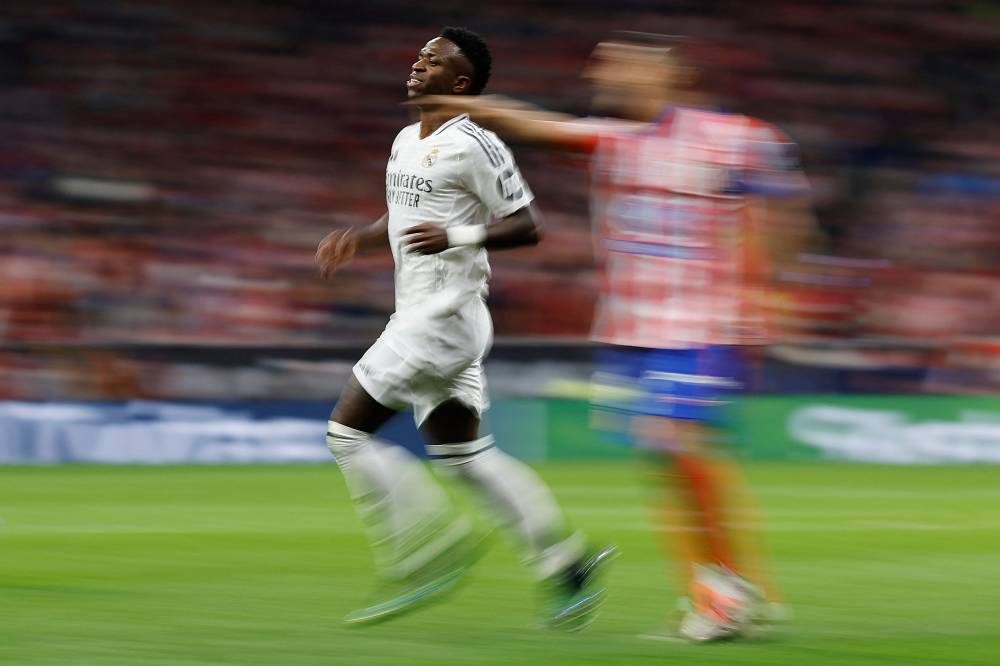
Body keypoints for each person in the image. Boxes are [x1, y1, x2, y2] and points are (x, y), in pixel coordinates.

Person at [416, 32, 812, 641]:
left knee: (672, 439)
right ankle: (727, 588)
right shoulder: (616, 139)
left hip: (702, 322)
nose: (603, 73)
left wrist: (771, 293)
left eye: (620, 64)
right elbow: (543, 125)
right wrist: (474, 108)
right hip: (633, 330)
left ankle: (726, 594)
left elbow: (785, 207)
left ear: (666, 74)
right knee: (667, 457)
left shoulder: (733, 137)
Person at [315, 26, 616, 630]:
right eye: (419, 55)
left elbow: (527, 225)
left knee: (347, 435)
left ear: (460, 83)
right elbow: (404, 218)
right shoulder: (405, 140)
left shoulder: (476, 144)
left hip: (443, 317)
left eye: (433, 61)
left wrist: (460, 235)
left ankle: (429, 549)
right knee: (465, 456)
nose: (417, 64)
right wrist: (359, 239)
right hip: (427, 316)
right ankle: (567, 560)